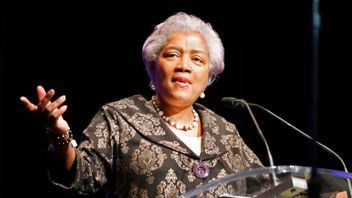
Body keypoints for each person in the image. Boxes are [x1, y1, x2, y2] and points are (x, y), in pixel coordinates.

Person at [20, 12, 347, 198]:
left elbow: (266, 191)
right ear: (152, 67)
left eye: (197, 59)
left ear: (208, 78)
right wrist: (60, 135)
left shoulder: (225, 132)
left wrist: (321, 194)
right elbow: (78, 175)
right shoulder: (120, 117)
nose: (184, 66)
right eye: (172, 55)